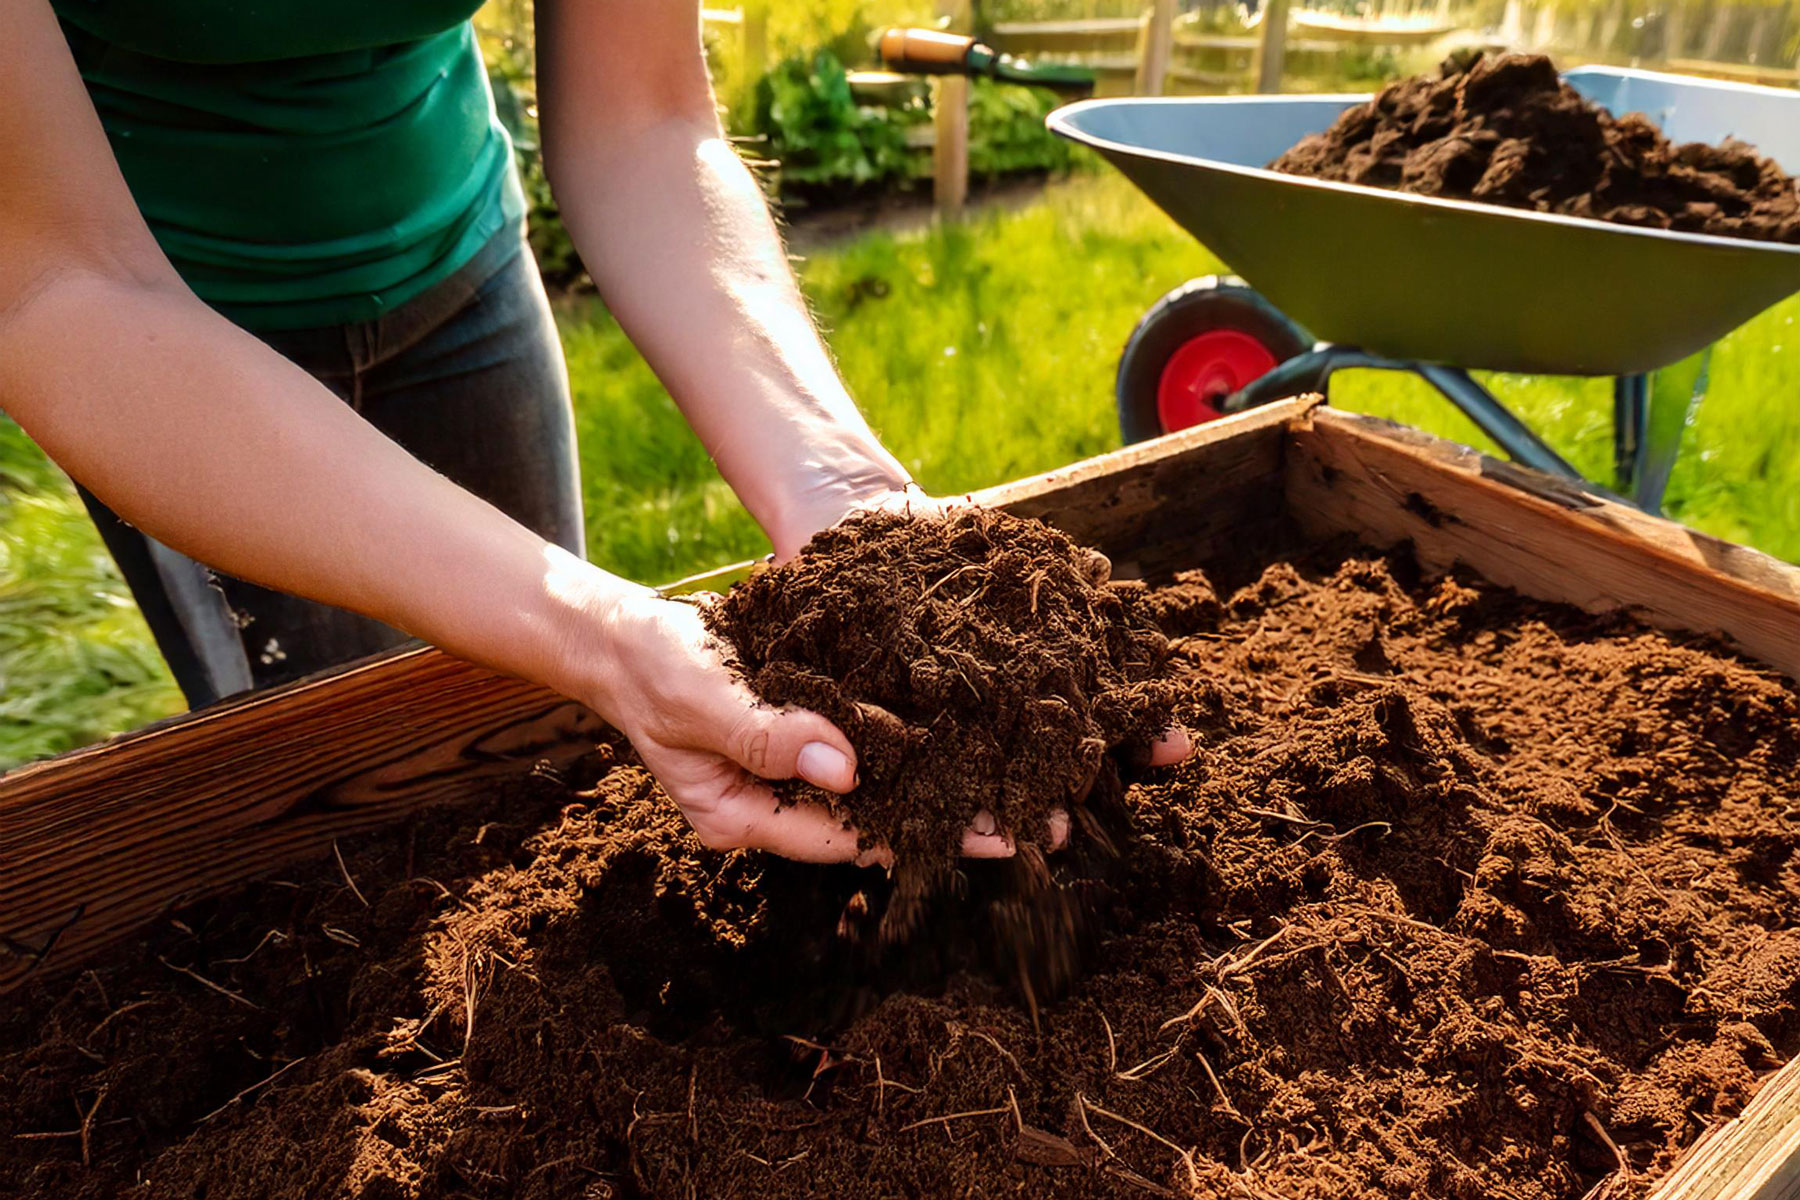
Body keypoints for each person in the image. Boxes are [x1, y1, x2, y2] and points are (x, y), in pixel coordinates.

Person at [1, 0, 1188, 863]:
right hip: (162, 331)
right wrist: (609, 637)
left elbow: (645, 120)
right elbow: (51, 286)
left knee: (553, 750)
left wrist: (842, 489)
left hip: (456, 248)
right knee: (351, 831)